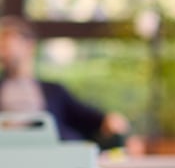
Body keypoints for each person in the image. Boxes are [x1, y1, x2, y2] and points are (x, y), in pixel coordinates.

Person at [0, 15, 131, 146]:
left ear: (29, 45)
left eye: (7, 41)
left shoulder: (53, 91)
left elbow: (86, 116)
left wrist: (109, 120)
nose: (2, 48)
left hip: (53, 150)